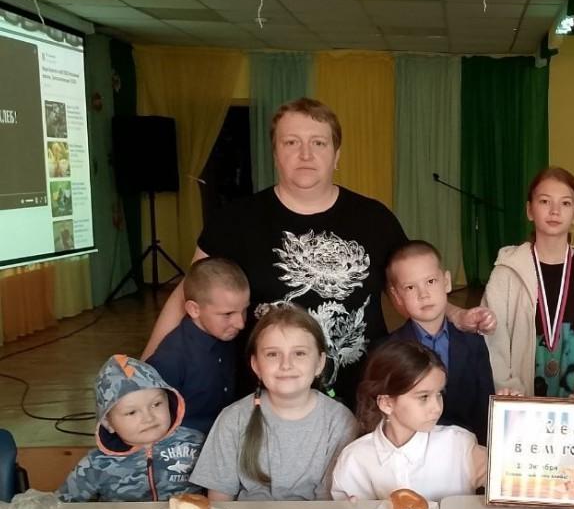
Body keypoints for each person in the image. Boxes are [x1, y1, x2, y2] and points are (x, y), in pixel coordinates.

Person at [141, 98, 493, 408]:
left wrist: (456, 314)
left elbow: (412, 286)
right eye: (291, 142)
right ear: (275, 152)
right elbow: (189, 295)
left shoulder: (374, 218)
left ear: (336, 155)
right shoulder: (235, 220)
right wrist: (142, 377)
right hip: (265, 400)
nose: (305, 154)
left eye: (318, 143)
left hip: (363, 397)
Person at [482, 167, 574, 398]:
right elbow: (493, 341)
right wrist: (512, 395)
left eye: (565, 203)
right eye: (545, 201)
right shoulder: (507, 271)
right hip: (518, 404)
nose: (555, 211)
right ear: (530, 210)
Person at [189, 303, 358, 501]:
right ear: (256, 365)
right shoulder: (233, 418)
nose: (286, 365)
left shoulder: (340, 420)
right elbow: (219, 500)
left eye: (299, 353)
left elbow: (333, 502)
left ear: (320, 363)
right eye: (272, 354)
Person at [330, 340, 487, 501]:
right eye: (424, 397)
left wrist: (505, 414)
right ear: (386, 403)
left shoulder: (459, 445)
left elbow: (502, 477)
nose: (437, 407)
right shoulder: (355, 459)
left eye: (439, 394)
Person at [385, 240, 494, 444]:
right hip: (411, 455)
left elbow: (485, 410)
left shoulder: (474, 344)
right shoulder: (389, 351)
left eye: (431, 281)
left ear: (447, 282)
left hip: (466, 450)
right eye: (410, 287)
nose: (423, 294)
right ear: (397, 296)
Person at [58, 355, 204, 502]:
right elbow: (62, 505)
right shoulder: (95, 464)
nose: (148, 418)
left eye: (156, 404)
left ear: (170, 401)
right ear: (108, 423)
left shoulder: (196, 444)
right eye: (132, 412)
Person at [146, 257, 250, 435]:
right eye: (227, 314)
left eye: (244, 310)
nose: (240, 323)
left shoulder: (228, 336)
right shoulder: (170, 358)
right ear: (194, 309)